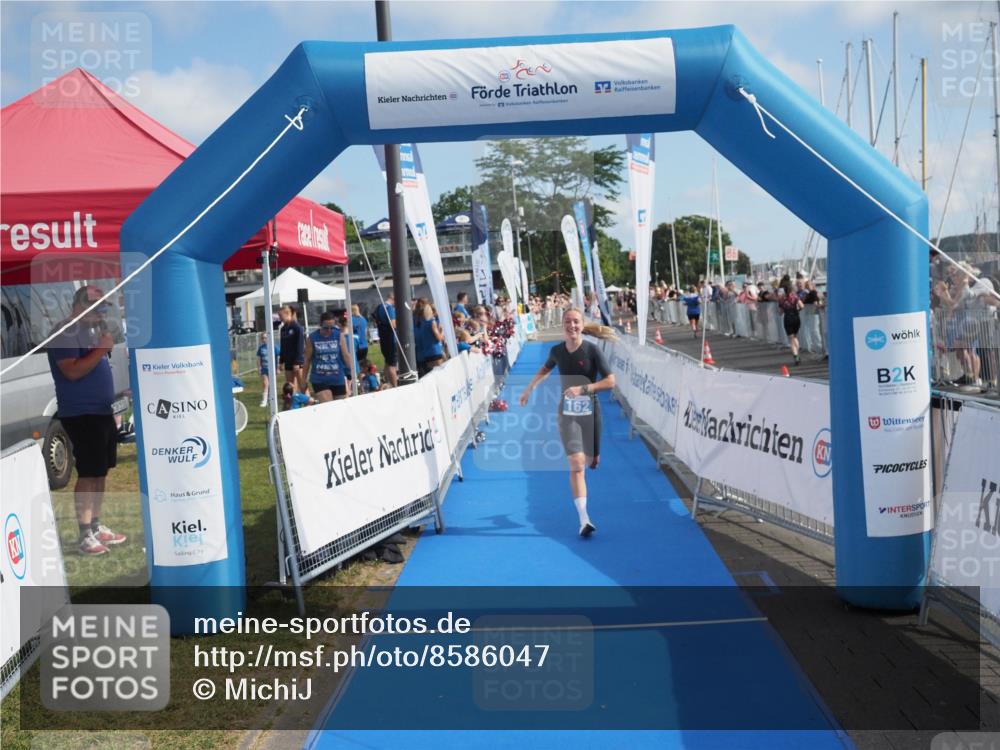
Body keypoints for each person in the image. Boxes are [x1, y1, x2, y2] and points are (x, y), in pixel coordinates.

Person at [518, 308, 616, 538]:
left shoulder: (592, 350)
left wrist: (583, 389)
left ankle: (594, 455)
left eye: (576, 322)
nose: (572, 326)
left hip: (591, 412)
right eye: (568, 322)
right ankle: (584, 519)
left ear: (582, 325)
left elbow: (610, 381)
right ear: (562, 325)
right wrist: (529, 388)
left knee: (591, 460)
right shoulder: (557, 351)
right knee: (576, 463)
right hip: (567, 413)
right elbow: (545, 368)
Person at [47, 285, 127, 556]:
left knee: (101, 471)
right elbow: (71, 371)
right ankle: (84, 535)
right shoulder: (64, 331)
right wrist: (101, 349)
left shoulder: (91, 330)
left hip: (102, 410)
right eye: (98, 307)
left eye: (105, 307)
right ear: (81, 305)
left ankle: (95, 525)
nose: (103, 312)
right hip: (81, 413)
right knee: (89, 472)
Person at [303, 311, 354, 402]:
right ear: (320, 324)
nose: (329, 331)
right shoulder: (312, 338)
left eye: (332, 327)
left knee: (340, 408)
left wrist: (353, 372)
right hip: (319, 379)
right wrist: (304, 380)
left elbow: (345, 355)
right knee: (329, 407)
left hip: (338, 378)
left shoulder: (338, 335)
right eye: (326, 328)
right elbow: (307, 360)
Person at [278, 304, 305, 397]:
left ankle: (309, 402)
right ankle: (294, 404)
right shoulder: (283, 329)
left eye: (281, 316)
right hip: (288, 361)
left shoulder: (297, 327)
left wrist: (297, 362)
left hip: (297, 361)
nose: (280, 318)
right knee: (290, 386)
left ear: (287, 314)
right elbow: (283, 346)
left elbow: (300, 345)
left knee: (302, 384)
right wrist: (281, 361)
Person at [414, 300, 445, 375]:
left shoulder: (420, 323)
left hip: (426, 354)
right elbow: (439, 338)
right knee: (439, 375)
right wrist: (442, 331)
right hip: (435, 352)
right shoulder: (431, 322)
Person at [778, 278, 805, 365]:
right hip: (796, 317)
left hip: (788, 318)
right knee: (795, 337)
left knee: (791, 338)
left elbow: (780, 312)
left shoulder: (782, 299)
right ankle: (797, 353)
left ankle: (796, 356)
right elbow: (802, 306)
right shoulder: (795, 297)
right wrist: (797, 310)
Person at [374, 292, 398, 387]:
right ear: (393, 299)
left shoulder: (379, 307)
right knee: (392, 364)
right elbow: (393, 325)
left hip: (383, 338)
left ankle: (387, 383)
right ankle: (395, 386)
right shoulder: (390, 308)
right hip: (390, 339)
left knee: (387, 362)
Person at [256, 332, 278, 408]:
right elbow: (258, 359)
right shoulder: (261, 348)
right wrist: (259, 368)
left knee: (272, 385)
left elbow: (278, 357)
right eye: (262, 338)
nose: (264, 339)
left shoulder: (274, 347)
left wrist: (278, 367)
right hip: (264, 369)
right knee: (265, 384)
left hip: (272, 369)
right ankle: (264, 401)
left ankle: (271, 400)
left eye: (265, 338)